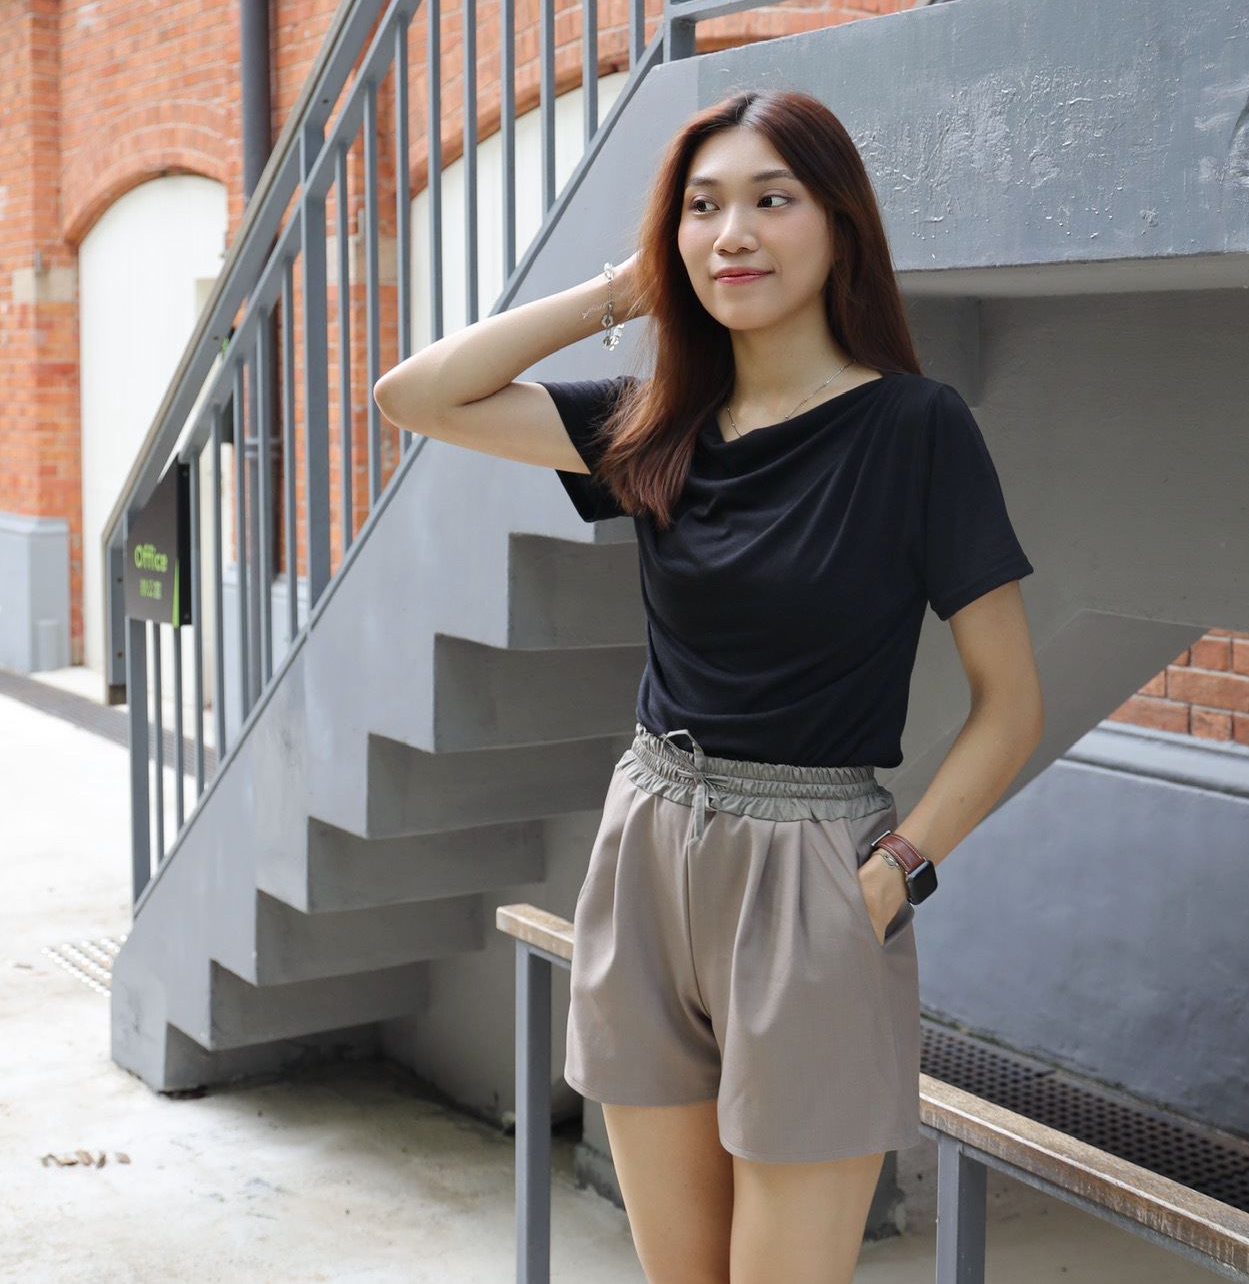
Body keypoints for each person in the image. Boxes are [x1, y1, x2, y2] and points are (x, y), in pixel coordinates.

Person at [374, 88, 1045, 1284]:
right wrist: (618, 292)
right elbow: (417, 395)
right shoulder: (656, 425)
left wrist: (891, 877)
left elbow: (1011, 704)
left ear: (838, 225)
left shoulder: (914, 429)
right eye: (702, 207)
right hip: (647, 844)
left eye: (771, 200)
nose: (732, 233)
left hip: (814, 871)